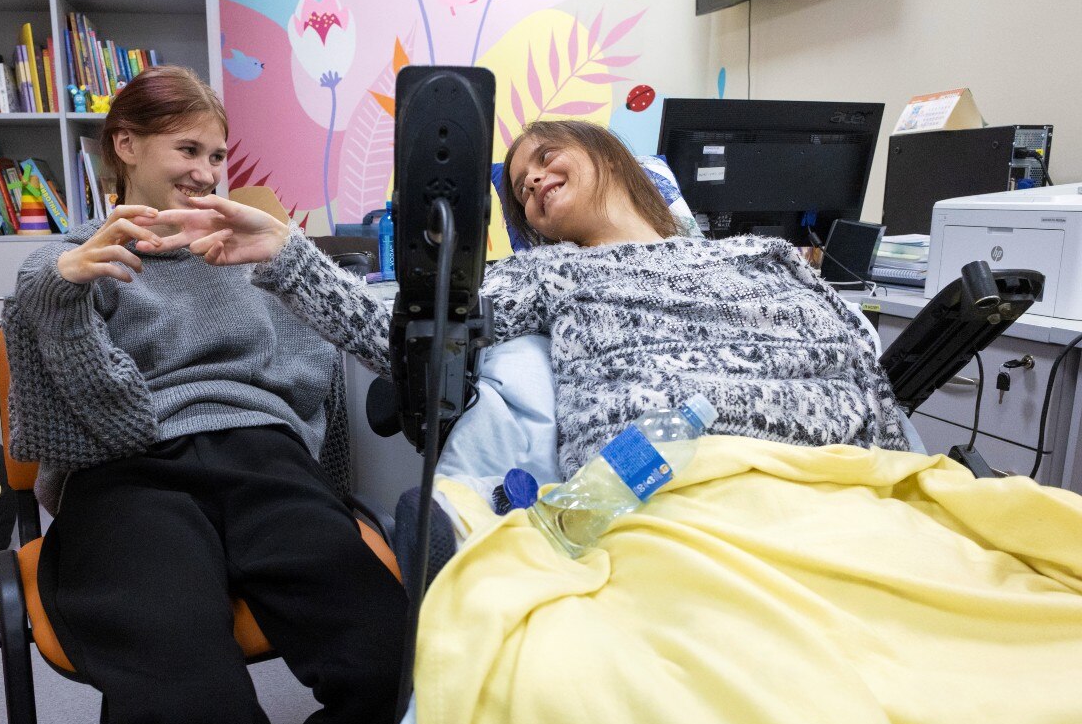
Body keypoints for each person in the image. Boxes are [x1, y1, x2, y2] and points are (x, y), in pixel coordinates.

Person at [1, 66, 406, 724]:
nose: (207, 172)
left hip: (264, 461)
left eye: (218, 156)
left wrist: (326, 492)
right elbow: (114, 423)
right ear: (125, 144)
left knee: (390, 663)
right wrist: (62, 300)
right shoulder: (60, 268)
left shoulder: (248, 250)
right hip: (127, 475)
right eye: (188, 149)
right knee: (193, 709)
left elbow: (316, 393)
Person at [151, 118, 909, 483]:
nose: (535, 180)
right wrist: (285, 249)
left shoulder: (768, 256)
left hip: (844, 493)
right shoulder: (544, 278)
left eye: (548, 157)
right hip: (687, 508)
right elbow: (404, 334)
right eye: (521, 188)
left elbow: (874, 396)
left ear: (608, 154)